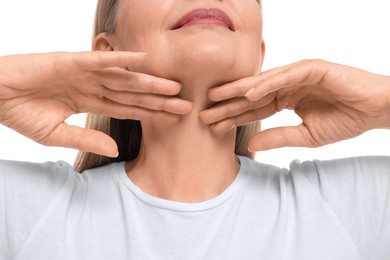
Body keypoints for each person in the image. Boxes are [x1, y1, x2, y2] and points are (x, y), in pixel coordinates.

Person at [0, 0, 389, 259]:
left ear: (259, 55)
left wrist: (382, 104)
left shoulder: (350, 203)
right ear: (108, 53)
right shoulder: (26, 208)